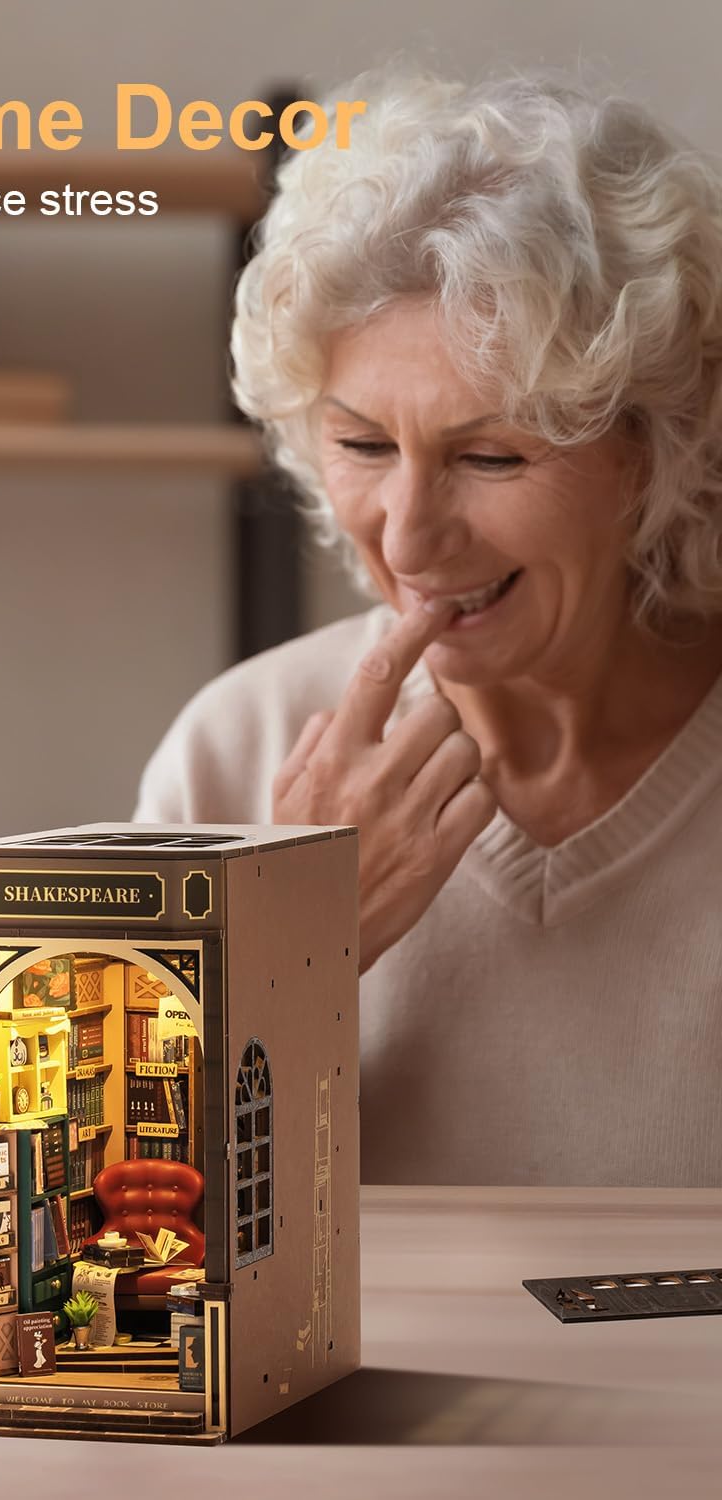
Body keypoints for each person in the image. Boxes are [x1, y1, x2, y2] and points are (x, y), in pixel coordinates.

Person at [136, 67, 722, 1187]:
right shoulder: (238, 747)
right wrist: (294, 940)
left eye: (490, 455)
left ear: (655, 448)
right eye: (362, 447)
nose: (406, 540)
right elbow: (99, 1241)